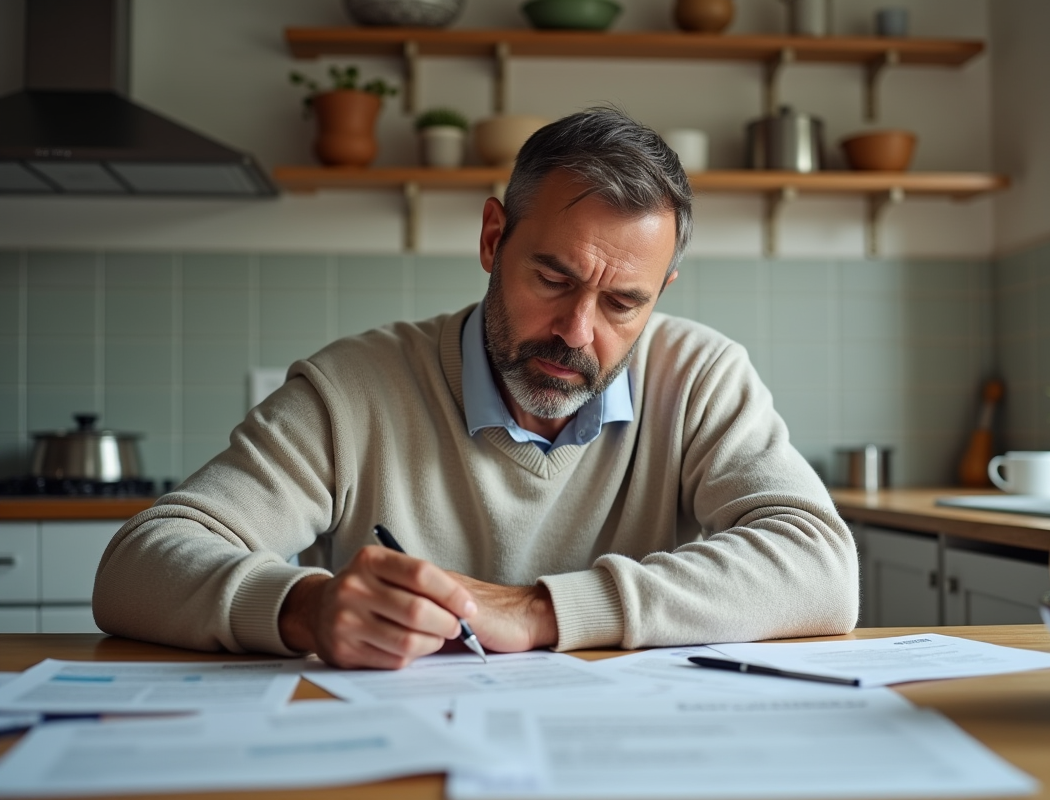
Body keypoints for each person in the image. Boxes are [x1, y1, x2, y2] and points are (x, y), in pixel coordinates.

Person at [93, 108, 858, 669]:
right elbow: (136, 566)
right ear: (494, 238)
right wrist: (305, 606)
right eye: (552, 278)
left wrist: (540, 610)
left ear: (663, 292)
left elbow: (821, 568)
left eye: (624, 303)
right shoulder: (352, 389)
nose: (577, 330)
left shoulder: (701, 376)